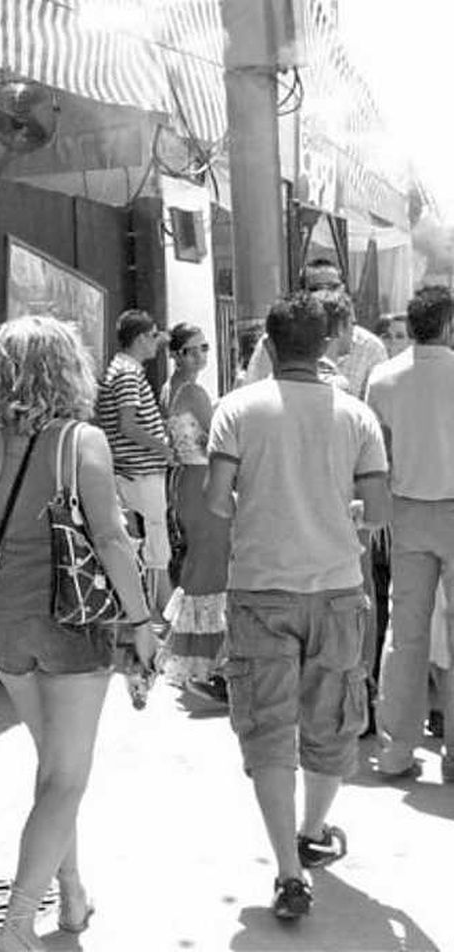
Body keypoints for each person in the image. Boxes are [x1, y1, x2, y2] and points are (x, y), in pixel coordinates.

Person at [0, 315, 155, 952]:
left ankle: (73, 895)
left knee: (53, 768)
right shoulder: (82, 441)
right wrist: (141, 622)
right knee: (65, 777)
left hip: (6, 626)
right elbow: (111, 539)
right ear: (68, 370)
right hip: (71, 621)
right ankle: (17, 922)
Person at [205, 292, 391, 924]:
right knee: (333, 718)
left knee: (267, 729)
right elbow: (380, 512)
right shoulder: (356, 416)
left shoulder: (236, 410)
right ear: (328, 346)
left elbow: (217, 501)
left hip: (259, 589)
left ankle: (287, 868)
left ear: (269, 346)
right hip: (336, 589)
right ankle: (313, 829)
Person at [363, 284, 454, 783]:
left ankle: (396, 750)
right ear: (447, 325)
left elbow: (377, 456)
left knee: (405, 633)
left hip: (408, 512)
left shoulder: (383, 377)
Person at [158, 323, 229, 702]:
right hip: (202, 481)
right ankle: (207, 665)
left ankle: (200, 661)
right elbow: (213, 440)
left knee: (202, 568)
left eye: (205, 347)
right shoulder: (194, 391)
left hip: (186, 481)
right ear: (180, 354)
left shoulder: (171, 388)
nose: (203, 354)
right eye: (195, 348)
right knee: (211, 570)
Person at [95, 309, 173, 618]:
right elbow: (128, 424)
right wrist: (163, 446)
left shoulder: (121, 369)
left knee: (148, 544)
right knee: (155, 546)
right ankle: (163, 613)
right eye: (154, 335)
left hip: (130, 471)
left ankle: (159, 612)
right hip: (139, 474)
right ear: (140, 338)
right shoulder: (128, 374)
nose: (157, 343)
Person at [243, 258, 388, 397]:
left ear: (343, 289)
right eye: (316, 288)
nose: (326, 293)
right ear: (303, 293)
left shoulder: (371, 347)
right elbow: (251, 392)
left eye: (333, 287)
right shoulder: (278, 340)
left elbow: (380, 404)